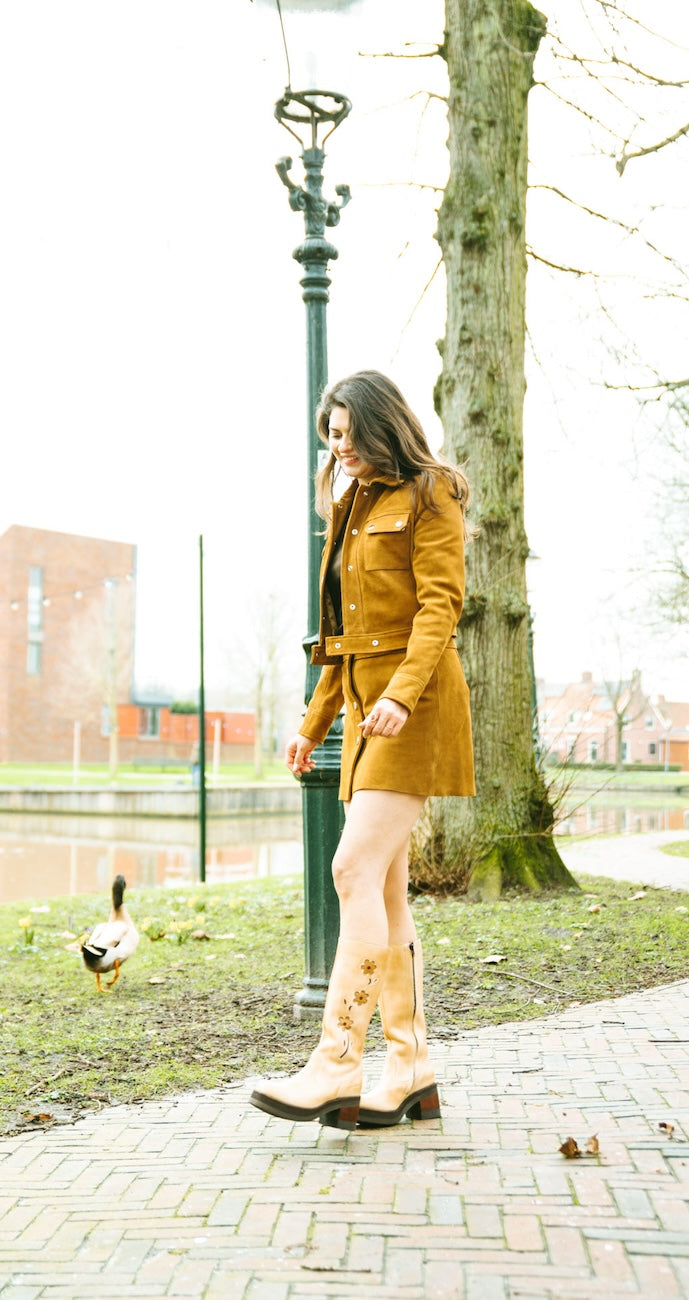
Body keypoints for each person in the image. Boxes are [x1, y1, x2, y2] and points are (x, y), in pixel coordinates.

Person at [250, 369, 475, 1131]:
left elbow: (440, 607)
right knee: (383, 891)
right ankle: (409, 1068)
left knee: (350, 870)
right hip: (362, 711)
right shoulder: (349, 505)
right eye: (330, 438)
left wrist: (401, 696)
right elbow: (342, 637)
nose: (337, 449)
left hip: (414, 707)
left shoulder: (431, 492)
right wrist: (312, 723)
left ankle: (335, 1064)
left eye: (346, 434)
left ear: (380, 425)